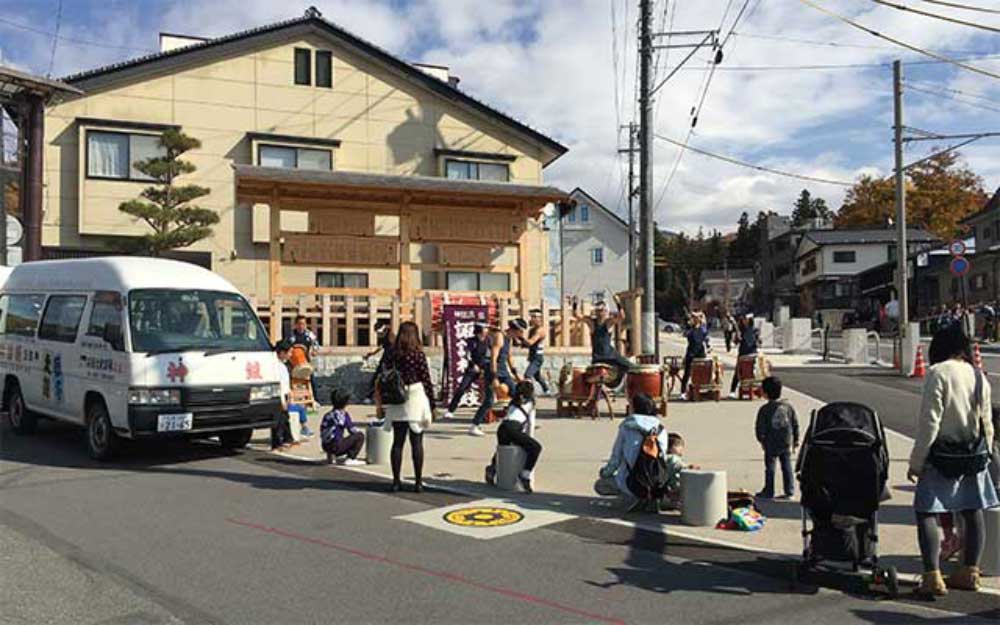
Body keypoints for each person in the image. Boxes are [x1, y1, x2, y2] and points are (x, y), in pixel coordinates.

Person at [908, 324, 998, 596]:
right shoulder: (978, 375)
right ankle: (970, 571)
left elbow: (930, 422)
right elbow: (986, 421)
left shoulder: (938, 373)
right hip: (973, 454)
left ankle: (932, 575)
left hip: (941, 455)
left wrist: (916, 461)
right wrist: (988, 453)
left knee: (926, 510)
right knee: (972, 510)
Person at [383, 321, 435, 493]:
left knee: (397, 442)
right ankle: (418, 481)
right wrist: (432, 403)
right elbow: (426, 379)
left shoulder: (392, 353)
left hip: (397, 397)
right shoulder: (418, 354)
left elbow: (384, 374)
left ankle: (396, 481)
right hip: (415, 396)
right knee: (417, 442)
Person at [595, 393, 671, 510]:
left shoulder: (627, 426)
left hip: (631, 481)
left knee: (600, 485)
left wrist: (604, 473)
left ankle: (634, 497)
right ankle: (652, 497)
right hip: (657, 482)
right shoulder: (661, 429)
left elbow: (616, 458)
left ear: (634, 408)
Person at [469, 320, 525, 437]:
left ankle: (518, 421)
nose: (521, 335)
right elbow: (493, 357)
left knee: (516, 394)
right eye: (521, 332)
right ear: (516, 330)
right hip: (493, 370)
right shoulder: (500, 336)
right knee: (489, 401)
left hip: (504, 371)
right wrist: (494, 378)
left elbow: (509, 357)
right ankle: (474, 426)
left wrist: (516, 375)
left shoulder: (509, 339)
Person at [484, 380, 542, 493]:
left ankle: (492, 469)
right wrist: (529, 441)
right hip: (513, 428)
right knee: (536, 448)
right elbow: (531, 425)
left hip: (502, 428)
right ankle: (525, 475)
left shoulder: (513, 402)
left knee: (503, 450)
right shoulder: (530, 404)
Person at [754, 376, 799, 500]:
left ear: (765, 393)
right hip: (786, 441)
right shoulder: (788, 407)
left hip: (771, 442)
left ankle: (769, 491)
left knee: (770, 467)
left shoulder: (765, 409)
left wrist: (761, 439)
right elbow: (794, 423)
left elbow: (760, 427)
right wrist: (796, 439)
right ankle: (789, 491)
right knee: (787, 466)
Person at [573, 296, 632, 374]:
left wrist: (618, 302)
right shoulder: (601, 322)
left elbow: (622, 316)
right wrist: (575, 303)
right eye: (600, 311)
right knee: (631, 367)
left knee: (628, 366)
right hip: (608, 357)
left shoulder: (601, 322)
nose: (601, 313)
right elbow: (622, 316)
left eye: (602, 310)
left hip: (602, 356)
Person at [444, 324, 489, 419]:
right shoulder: (471, 341)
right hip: (473, 368)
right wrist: (473, 365)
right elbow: (467, 355)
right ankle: (451, 410)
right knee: (462, 388)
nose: (486, 330)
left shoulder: (489, 341)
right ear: (479, 330)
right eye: (484, 328)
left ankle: (486, 413)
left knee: (487, 390)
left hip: (485, 367)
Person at [285, 314, 320, 418]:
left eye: (303, 324)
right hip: (293, 363)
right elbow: (286, 347)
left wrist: (314, 351)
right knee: (290, 380)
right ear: (295, 325)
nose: (301, 326)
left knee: (312, 379)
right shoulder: (291, 336)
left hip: (305, 362)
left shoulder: (310, 335)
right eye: (299, 324)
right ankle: (291, 399)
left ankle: (314, 400)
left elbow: (316, 345)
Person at [320, 388, 366, 466]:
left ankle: (331, 455)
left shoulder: (328, 415)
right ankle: (351, 458)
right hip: (337, 446)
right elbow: (352, 430)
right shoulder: (343, 415)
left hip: (326, 445)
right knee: (360, 436)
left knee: (334, 437)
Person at [272, 340, 302, 450]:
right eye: (289, 352)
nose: (290, 355)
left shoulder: (284, 366)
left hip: (285, 394)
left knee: (285, 418)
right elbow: (278, 385)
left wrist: (289, 393)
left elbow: (285, 382)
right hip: (279, 397)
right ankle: (277, 443)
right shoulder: (275, 366)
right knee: (278, 421)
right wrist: (282, 400)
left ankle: (287, 439)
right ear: (282, 352)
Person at [366, 321, 395, 416]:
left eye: (379, 333)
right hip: (385, 359)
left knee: (381, 378)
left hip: (390, 360)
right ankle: (371, 395)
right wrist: (371, 354)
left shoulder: (391, 336)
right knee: (377, 377)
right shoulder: (385, 336)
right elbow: (381, 346)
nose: (379, 335)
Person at [729, 315, 760, 398]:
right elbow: (735, 342)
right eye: (743, 319)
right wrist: (737, 337)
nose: (744, 321)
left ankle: (758, 389)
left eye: (746, 319)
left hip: (752, 353)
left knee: (755, 371)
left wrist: (757, 340)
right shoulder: (740, 330)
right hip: (742, 353)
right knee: (738, 371)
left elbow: (757, 341)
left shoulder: (754, 329)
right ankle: (732, 391)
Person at [679, 312, 708, 400]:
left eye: (697, 317)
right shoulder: (690, 329)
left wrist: (708, 347)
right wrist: (688, 325)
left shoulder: (703, 329)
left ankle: (698, 389)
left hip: (700, 353)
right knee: (687, 373)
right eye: (694, 318)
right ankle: (683, 392)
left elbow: (705, 340)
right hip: (691, 353)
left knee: (699, 372)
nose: (695, 319)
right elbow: (685, 334)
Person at [523, 309, 550, 395]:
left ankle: (528, 393)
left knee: (527, 375)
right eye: (532, 317)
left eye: (536, 317)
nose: (533, 319)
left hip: (537, 358)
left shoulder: (540, 330)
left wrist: (520, 337)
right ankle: (547, 390)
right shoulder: (532, 330)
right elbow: (528, 344)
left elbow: (531, 342)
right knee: (537, 376)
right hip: (533, 356)